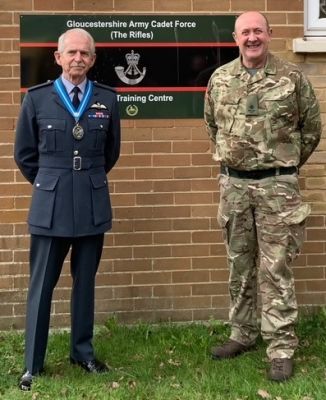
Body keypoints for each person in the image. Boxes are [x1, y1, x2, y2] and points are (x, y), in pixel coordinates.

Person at [204, 11, 321, 382]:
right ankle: (243, 333)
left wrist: (281, 166)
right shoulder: (220, 79)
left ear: (269, 34)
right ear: (235, 38)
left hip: (278, 189)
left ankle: (281, 347)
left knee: (276, 269)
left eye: (258, 30)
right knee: (239, 264)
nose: (251, 37)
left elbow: (311, 129)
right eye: (245, 32)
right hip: (234, 187)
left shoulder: (292, 79)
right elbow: (212, 125)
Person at [14, 28, 121, 390]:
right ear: (58, 57)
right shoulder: (37, 99)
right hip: (51, 204)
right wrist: (53, 183)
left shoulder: (107, 98)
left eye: (85, 53)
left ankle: (83, 353)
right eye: (71, 52)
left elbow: (110, 153)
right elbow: (25, 155)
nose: (78, 58)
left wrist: (82, 180)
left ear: (92, 59)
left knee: (85, 284)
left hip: (91, 202)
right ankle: (33, 363)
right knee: (41, 285)